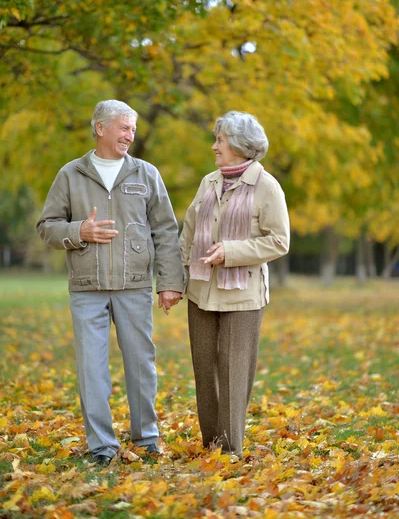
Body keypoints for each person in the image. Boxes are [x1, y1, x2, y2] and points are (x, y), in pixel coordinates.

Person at [37, 100, 183, 466]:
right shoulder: (70, 174)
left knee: (141, 365)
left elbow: (166, 230)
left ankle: (146, 439)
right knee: (91, 369)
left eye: (133, 129)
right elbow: (47, 226)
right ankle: (102, 446)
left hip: (134, 285)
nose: (130, 135)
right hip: (87, 287)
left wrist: (169, 282)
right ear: (100, 128)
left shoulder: (146, 173)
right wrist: (78, 231)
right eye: (123, 127)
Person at [180, 110, 290, 459]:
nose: (214, 147)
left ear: (240, 146)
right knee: (204, 369)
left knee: (233, 370)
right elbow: (188, 232)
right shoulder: (209, 181)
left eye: (220, 141)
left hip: (242, 295)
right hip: (200, 292)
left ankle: (230, 449)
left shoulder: (266, 186)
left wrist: (231, 251)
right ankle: (211, 444)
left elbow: (279, 241)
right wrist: (174, 280)